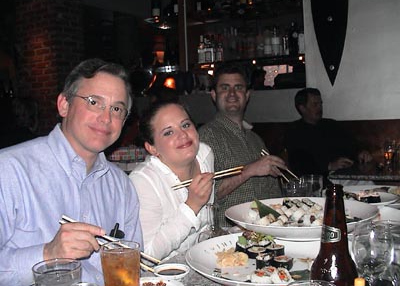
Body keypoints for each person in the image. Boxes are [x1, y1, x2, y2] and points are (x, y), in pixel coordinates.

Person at [0, 58, 143, 285]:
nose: (106, 118)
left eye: (117, 108)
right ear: (64, 105)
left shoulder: (122, 187)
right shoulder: (8, 170)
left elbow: (134, 267)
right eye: (94, 102)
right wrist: (47, 253)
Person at [198, 63, 287, 227]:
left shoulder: (256, 139)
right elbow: (206, 194)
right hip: (227, 234)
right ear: (213, 95)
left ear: (247, 95)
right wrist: (249, 170)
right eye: (225, 88)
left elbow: (273, 191)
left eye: (238, 87)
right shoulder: (205, 136)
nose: (232, 93)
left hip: (265, 231)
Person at [129, 100, 214, 260]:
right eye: (168, 132)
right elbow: (147, 255)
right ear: (152, 148)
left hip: (205, 260)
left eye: (186, 125)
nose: (182, 135)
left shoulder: (205, 155)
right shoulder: (143, 181)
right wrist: (192, 206)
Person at [284, 87, 372, 177]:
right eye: (315, 104)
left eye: (320, 104)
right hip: (319, 180)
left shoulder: (331, 125)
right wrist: (329, 166)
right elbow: (300, 163)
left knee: (369, 185)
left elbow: (351, 144)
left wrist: (360, 153)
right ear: (302, 108)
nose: (320, 108)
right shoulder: (295, 131)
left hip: (346, 174)